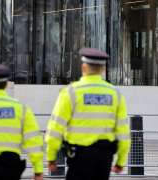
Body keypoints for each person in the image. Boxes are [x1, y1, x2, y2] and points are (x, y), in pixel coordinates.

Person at [45, 48, 131, 180]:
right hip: (104, 158)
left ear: (84, 67)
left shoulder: (70, 92)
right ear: (103, 70)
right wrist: (121, 161)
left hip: (79, 157)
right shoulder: (115, 94)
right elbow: (124, 132)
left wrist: (51, 157)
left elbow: (55, 128)